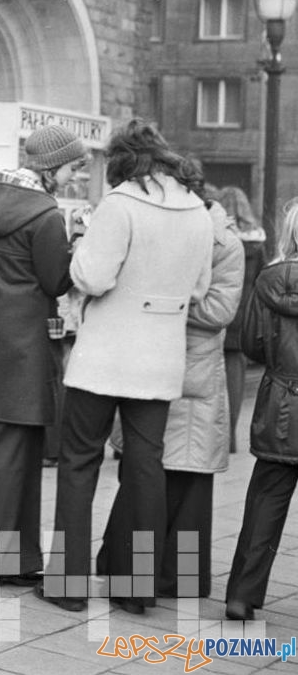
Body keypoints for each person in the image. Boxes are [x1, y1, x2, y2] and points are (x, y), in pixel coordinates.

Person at [41, 119, 213, 615]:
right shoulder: (197, 210)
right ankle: (136, 586)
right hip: (160, 355)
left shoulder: (120, 205)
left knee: (79, 461)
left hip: (106, 354)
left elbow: (93, 277)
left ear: (122, 161)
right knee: (145, 468)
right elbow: (199, 288)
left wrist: (75, 258)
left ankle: (69, 583)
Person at [97, 168, 243, 599]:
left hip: (191, 375)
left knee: (186, 480)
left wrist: (160, 302)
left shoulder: (224, 242)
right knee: (144, 473)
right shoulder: (163, 228)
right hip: (151, 363)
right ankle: (127, 570)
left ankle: (173, 578)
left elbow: (219, 310)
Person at [0, 124, 79, 586]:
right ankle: (0, 560)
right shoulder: (45, 216)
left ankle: (9, 552)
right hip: (24, 348)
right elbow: (55, 281)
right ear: (50, 167)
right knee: (15, 454)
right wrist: (77, 247)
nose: (73, 177)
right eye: (71, 168)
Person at [224, 199, 298, 622]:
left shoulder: (269, 279)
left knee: (266, 503)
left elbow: (251, 344)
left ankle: (242, 596)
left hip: (281, 405)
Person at [215, 185, 267, 453]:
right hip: (243, 317)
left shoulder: (219, 237)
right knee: (236, 378)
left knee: (214, 379)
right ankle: (231, 439)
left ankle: (215, 435)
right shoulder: (257, 243)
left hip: (218, 312)